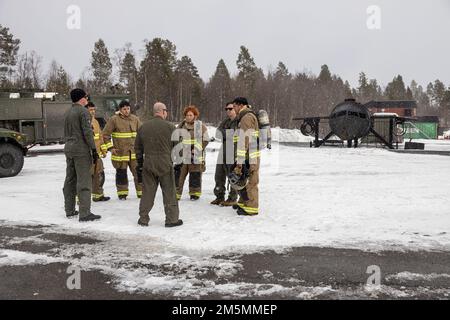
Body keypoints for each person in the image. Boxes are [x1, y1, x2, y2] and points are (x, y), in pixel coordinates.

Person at [135, 102, 183, 228]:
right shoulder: (171, 127)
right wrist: (178, 164)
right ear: (162, 111)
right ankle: (171, 219)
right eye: (166, 111)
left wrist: (140, 164)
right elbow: (179, 149)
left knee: (147, 193)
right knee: (169, 193)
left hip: (148, 163)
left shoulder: (143, 127)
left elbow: (138, 148)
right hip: (165, 163)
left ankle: (143, 218)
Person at [62, 88, 101, 222]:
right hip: (80, 150)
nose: (87, 99)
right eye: (86, 97)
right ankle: (85, 213)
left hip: (69, 148)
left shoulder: (68, 112)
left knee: (70, 179)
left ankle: (69, 209)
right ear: (81, 98)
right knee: (84, 180)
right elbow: (87, 133)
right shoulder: (83, 112)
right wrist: (94, 149)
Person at [102, 100, 142, 200]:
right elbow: (105, 135)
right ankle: (122, 194)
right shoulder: (114, 120)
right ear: (120, 110)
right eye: (124, 109)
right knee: (121, 174)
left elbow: (142, 134)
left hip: (134, 154)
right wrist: (110, 148)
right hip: (120, 154)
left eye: (128, 108)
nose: (126, 111)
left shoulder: (135, 119)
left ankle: (141, 192)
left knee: (139, 173)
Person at [232, 97, 260, 216]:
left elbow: (244, 140)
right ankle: (244, 202)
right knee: (244, 179)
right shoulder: (246, 117)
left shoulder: (246, 118)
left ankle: (252, 208)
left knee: (251, 181)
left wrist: (240, 161)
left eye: (234, 106)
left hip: (249, 156)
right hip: (249, 155)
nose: (234, 109)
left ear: (240, 105)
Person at [174, 106, 209, 201]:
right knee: (178, 175)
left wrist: (196, 149)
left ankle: (194, 194)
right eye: (187, 115)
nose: (189, 117)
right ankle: (176, 193)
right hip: (182, 156)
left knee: (195, 175)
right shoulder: (181, 126)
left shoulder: (200, 126)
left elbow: (205, 139)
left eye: (191, 115)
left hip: (195, 156)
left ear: (195, 116)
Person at [210, 102, 239, 206]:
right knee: (219, 175)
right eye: (226, 109)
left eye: (230, 109)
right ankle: (219, 196)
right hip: (224, 150)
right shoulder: (226, 121)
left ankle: (232, 198)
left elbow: (236, 134)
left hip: (234, 151)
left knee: (232, 175)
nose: (228, 111)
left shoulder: (239, 121)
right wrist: (228, 133)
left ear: (235, 109)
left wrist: (226, 133)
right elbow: (218, 132)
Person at [86, 102, 110, 202]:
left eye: (94, 110)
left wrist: (103, 149)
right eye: (90, 110)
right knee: (86, 177)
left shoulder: (95, 122)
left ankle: (98, 195)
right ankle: (80, 198)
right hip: (87, 156)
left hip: (97, 155)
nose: (93, 112)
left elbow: (100, 138)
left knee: (98, 175)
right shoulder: (84, 122)